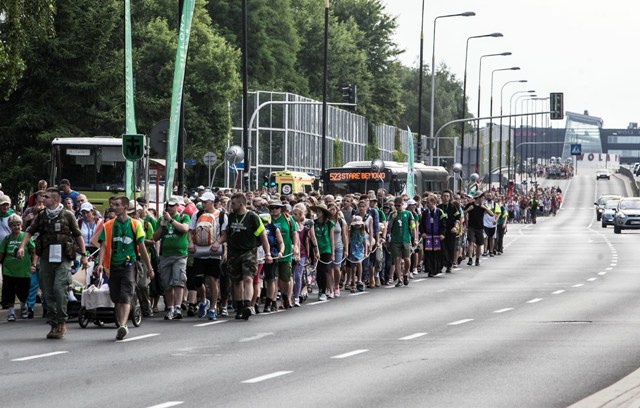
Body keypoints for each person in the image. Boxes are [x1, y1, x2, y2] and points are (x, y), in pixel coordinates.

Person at [18, 187, 88, 339]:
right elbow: (29, 231)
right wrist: (22, 246)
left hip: (63, 258)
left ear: (55, 200)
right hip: (46, 258)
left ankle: (62, 321)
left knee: (59, 288)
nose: (43, 199)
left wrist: (84, 255)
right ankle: (53, 323)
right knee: (47, 291)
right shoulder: (42, 216)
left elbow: (78, 236)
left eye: (47, 197)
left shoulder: (68, 215)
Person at [95, 197, 154, 340]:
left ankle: (123, 325)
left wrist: (149, 268)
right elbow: (103, 246)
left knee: (126, 295)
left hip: (129, 265)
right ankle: (121, 323)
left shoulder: (135, 225)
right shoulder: (108, 226)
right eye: (113, 205)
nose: (114, 207)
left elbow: (141, 248)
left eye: (117, 205)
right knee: (116, 298)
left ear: (126, 207)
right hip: (113, 266)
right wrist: (100, 264)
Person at [211, 193, 272, 320]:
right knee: (236, 281)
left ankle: (247, 305)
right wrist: (218, 243)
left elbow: (262, 236)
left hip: (249, 251)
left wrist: (268, 253)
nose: (231, 206)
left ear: (241, 204)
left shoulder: (252, 217)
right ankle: (239, 308)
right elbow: (227, 233)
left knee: (248, 278)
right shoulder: (231, 217)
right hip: (234, 252)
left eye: (233, 204)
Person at [187, 192, 227, 320]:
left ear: (212, 202)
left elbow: (225, 233)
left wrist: (218, 242)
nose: (203, 204)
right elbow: (190, 231)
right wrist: (191, 242)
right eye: (202, 202)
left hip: (214, 253)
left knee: (213, 280)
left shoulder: (221, 216)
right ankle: (204, 301)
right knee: (198, 280)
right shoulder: (197, 214)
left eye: (205, 202)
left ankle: (213, 308)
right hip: (199, 251)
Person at [153, 196, 190, 320]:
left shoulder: (183, 217)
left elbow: (184, 229)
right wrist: (162, 226)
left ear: (177, 206)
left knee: (178, 281)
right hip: (166, 254)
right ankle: (170, 307)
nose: (170, 208)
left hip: (179, 254)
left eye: (173, 205)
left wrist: (171, 220)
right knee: (167, 283)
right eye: (168, 205)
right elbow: (155, 237)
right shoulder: (161, 219)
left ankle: (178, 307)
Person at [0, 214, 36, 321]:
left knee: (23, 291)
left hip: (24, 270)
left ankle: (23, 306)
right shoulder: (7, 239)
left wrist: (33, 264)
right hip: (8, 270)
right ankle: (11, 312)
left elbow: (33, 252)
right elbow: (1, 254)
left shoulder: (26, 237)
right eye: (14, 225)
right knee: (9, 291)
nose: (17, 227)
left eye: (19, 224)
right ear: (10, 226)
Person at [309, 203, 334, 301]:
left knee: (324, 270)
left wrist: (333, 253)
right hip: (316, 249)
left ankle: (323, 291)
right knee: (318, 271)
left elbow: (331, 239)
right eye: (317, 211)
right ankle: (320, 289)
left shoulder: (329, 223)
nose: (317, 213)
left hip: (326, 249)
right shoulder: (313, 223)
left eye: (319, 211)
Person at [387, 197, 415, 286]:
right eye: (395, 206)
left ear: (402, 204)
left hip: (406, 239)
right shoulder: (392, 214)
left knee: (407, 259)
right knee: (397, 259)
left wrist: (414, 238)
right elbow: (388, 227)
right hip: (395, 240)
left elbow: (413, 225)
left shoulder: (408, 213)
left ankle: (406, 273)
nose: (397, 207)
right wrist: (392, 219)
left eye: (398, 205)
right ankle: (399, 279)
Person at [463, 191, 494, 266]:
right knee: (470, 242)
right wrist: (468, 210)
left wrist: (484, 208)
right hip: (471, 226)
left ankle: (477, 259)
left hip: (480, 227)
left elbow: (492, 214)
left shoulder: (482, 206)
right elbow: (463, 213)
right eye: (482, 197)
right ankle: (470, 259)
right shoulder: (470, 205)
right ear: (478, 198)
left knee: (479, 244)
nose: (483, 199)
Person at [420, 195, 447, 277]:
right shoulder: (425, 212)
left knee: (437, 253)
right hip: (428, 236)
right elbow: (422, 224)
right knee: (428, 253)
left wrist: (442, 234)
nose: (427, 204)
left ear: (434, 202)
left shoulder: (439, 212)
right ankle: (430, 269)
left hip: (437, 236)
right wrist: (423, 232)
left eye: (429, 202)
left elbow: (443, 224)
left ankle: (437, 268)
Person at [438, 190, 461, 273]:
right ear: (441, 197)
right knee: (441, 248)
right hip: (441, 231)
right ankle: (440, 265)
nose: (445, 197)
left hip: (451, 231)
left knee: (450, 248)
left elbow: (458, 218)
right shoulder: (439, 207)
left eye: (447, 196)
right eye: (444, 196)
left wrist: (455, 227)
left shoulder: (453, 207)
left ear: (450, 197)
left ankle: (449, 265)